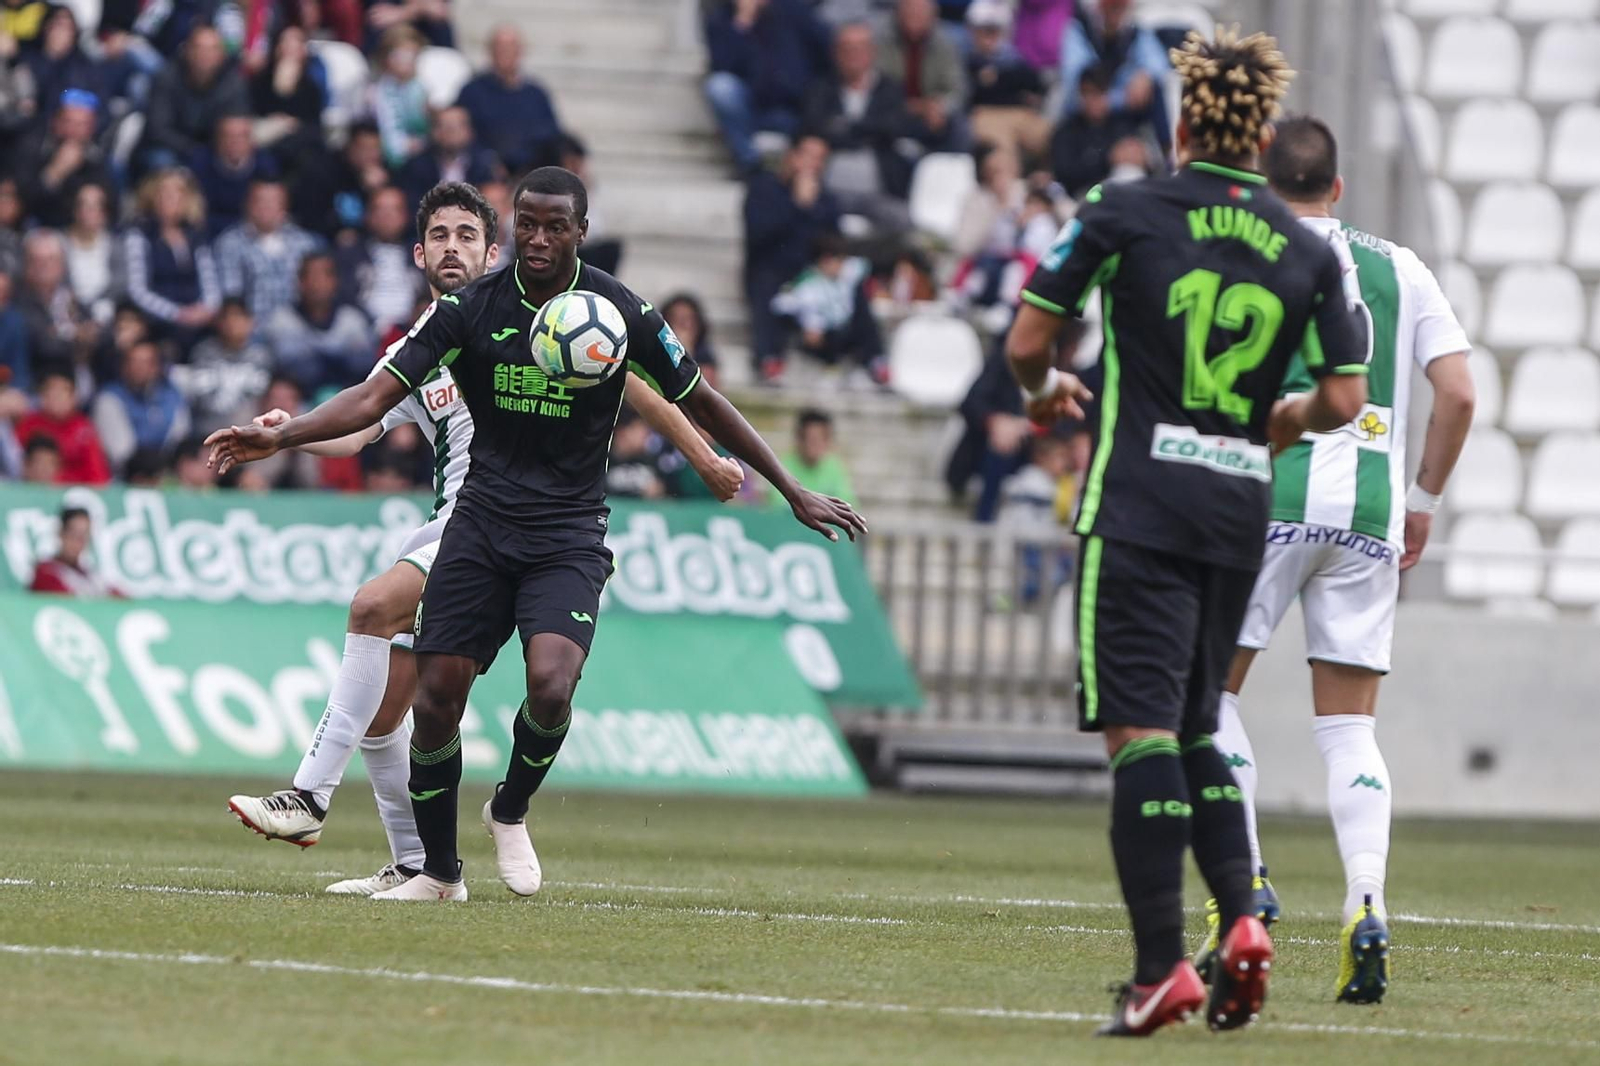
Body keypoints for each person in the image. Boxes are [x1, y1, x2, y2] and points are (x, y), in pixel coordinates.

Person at [207, 167, 865, 903]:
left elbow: (690, 393)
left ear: (581, 231)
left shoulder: (613, 313)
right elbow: (367, 405)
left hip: (566, 530)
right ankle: (431, 869)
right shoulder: (462, 315)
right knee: (422, 701)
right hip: (477, 523)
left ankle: (501, 808)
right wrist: (285, 434)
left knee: (547, 687)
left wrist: (785, 486)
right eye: (529, 224)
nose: (540, 239)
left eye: (556, 226)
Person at [1004, 28, 1368, 1035]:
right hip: (1237, 507)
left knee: (1139, 731)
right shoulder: (1301, 245)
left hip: (1138, 503)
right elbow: (1343, 393)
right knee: (1199, 718)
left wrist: (1043, 394)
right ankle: (1244, 917)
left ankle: (1162, 965)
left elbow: (1029, 338)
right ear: (1256, 139)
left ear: (1181, 125)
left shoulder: (1122, 209)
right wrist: (1281, 418)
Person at [1199, 116, 1476, 1007]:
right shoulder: (1402, 265)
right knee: (1351, 727)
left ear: (1256, 176)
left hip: (1264, 495)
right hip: (1367, 509)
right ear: (1339, 186)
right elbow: (1459, 391)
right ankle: (1365, 901)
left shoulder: (1245, 251)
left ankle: (1243, 891)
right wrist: (1420, 502)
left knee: (1207, 698)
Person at [744, 136, 840, 383]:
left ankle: (867, 360)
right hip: (769, 270)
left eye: (819, 159)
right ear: (792, 156)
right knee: (767, 283)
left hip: (809, 277)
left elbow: (833, 244)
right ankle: (768, 358)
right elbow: (758, 238)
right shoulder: (763, 189)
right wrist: (796, 206)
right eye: (807, 156)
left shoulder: (827, 200)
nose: (812, 165)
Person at [803, 22, 915, 232]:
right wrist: (867, 131)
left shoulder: (890, 89)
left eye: (859, 48)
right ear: (836, 53)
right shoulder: (821, 88)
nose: (853, 55)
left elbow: (893, 128)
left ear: (872, 52)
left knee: (902, 221)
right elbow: (815, 127)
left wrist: (844, 127)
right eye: (846, 49)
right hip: (829, 194)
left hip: (878, 193)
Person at [703, 0, 831, 173]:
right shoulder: (721, 19)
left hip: (794, 108)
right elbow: (722, 65)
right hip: (751, 107)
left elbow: (826, 49)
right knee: (720, 87)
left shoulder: (794, 10)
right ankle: (750, 163)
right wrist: (743, 23)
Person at [769, 232, 886, 384]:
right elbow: (783, 305)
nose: (839, 266)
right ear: (823, 262)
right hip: (821, 337)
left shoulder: (847, 275)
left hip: (846, 330)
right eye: (834, 261)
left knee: (864, 317)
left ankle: (876, 363)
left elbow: (866, 266)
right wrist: (808, 326)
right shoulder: (808, 282)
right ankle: (776, 360)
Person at [1058, 0, 1170, 159]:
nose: (1115, 10)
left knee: (1155, 89)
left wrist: (1146, 75)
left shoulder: (1135, 33)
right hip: (1081, 118)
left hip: (1119, 115)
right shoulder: (1078, 30)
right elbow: (1076, 81)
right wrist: (1109, 98)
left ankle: (1168, 155)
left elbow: (1159, 63)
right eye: (1111, 5)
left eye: (1120, 6)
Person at [122, 168, 222, 344]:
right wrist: (176, 313)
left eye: (177, 194)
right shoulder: (138, 234)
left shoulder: (196, 235)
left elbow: (210, 280)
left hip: (197, 318)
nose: (169, 199)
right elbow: (137, 289)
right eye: (164, 193)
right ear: (152, 196)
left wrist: (207, 308)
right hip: (157, 322)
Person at [261, 250, 376, 394]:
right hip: (299, 403)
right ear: (300, 282)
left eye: (325, 275)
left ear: (335, 281)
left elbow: (362, 367)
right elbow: (292, 369)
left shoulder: (352, 320)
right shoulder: (282, 321)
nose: (318, 283)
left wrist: (318, 358)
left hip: (347, 400)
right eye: (311, 276)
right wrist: (335, 360)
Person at [139, 25, 251, 172]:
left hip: (214, 151)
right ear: (187, 51)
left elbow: (235, 125)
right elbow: (157, 129)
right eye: (199, 48)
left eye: (212, 49)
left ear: (221, 54)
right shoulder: (167, 77)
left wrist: (210, 151)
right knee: (160, 159)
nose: (205, 55)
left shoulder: (233, 84)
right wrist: (192, 150)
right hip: (173, 148)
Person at [455, 25, 561, 176]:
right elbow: (463, 135)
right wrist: (489, 161)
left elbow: (550, 134)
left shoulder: (536, 94)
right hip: (483, 175)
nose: (504, 52)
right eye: (499, 47)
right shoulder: (472, 92)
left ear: (520, 52)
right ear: (490, 51)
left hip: (530, 173)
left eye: (510, 47)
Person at [215, 179, 325, 319]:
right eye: (260, 201)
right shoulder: (229, 244)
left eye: (273, 201)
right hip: (253, 332)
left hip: (299, 330)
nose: (266, 207)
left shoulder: (305, 243)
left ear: (285, 207)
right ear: (247, 205)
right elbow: (232, 297)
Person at [964, 0, 1049, 165]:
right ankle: (1008, 188)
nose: (991, 37)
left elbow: (1036, 85)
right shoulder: (967, 61)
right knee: (1002, 147)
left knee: (1050, 135)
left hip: (1019, 112)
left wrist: (998, 80)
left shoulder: (1014, 60)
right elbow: (972, 93)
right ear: (974, 32)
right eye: (985, 31)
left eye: (994, 31)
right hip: (986, 114)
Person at [336, 185, 429, 334]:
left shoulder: (422, 254)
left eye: (394, 210)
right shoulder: (351, 254)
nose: (387, 216)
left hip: (412, 328)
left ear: (405, 216)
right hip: (364, 330)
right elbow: (344, 298)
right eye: (380, 210)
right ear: (368, 215)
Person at [877, 0, 968, 152]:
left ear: (933, 17)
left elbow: (958, 89)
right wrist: (914, 106)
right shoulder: (881, 40)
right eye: (910, 13)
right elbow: (876, 85)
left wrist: (940, 107)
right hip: (892, 110)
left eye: (920, 14)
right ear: (898, 14)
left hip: (933, 113)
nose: (914, 19)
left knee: (960, 127)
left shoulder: (946, 42)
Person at [17, 88, 112, 231]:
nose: (73, 130)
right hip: (40, 231)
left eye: (81, 124)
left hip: (84, 235)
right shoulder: (33, 150)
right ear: (55, 123)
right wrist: (55, 173)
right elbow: (22, 205)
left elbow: (112, 207)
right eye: (68, 122)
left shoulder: (99, 161)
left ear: (91, 128)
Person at [92, 339, 192, 473]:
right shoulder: (109, 398)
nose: (140, 368)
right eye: (134, 362)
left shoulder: (173, 396)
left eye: (147, 362)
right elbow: (120, 453)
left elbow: (179, 440)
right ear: (124, 366)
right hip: (124, 477)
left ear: (157, 367)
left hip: (166, 475)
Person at [175, 297, 274, 432]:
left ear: (251, 322)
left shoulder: (261, 356)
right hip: (206, 433)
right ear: (218, 323)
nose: (232, 323)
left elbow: (261, 399)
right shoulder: (203, 353)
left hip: (250, 432)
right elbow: (201, 400)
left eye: (238, 317)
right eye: (226, 317)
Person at [292, 121, 390, 240]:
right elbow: (311, 216)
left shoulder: (385, 176)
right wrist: (337, 233)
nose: (371, 155)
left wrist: (377, 191)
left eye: (375, 149)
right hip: (326, 239)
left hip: (368, 242)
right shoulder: (324, 171)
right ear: (350, 147)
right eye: (365, 148)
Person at [191, 114, 282, 239]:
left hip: (253, 232)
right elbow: (197, 211)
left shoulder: (265, 165)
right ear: (217, 139)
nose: (234, 142)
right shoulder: (201, 162)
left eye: (241, 136)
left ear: (252, 140)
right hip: (210, 231)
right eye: (228, 136)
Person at [14, 366, 110, 485]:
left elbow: (98, 476)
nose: (57, 397)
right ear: (42, 396)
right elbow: (15, 465)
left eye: (63, 391)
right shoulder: (29, 425)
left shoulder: (84, 428)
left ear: (73, 397)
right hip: (33, 490)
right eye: (51, 391)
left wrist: (62, 481)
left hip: (76, 493)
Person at [397, 106, 503, 210]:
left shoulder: (485, 163)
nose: (451, 133)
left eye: (456, 126)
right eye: (445, 126)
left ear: (469, 131)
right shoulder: (417, 166)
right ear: (434, 132)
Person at [370, 25, 430, 170]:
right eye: (399, 55)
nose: (405, 61)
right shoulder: (375, 93)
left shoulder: (425, 88)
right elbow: (387, 132)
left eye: (411, 55)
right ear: (385, 58)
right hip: (387, 163)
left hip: (425, 160)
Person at [29, 506, 119, 597]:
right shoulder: (46, 572)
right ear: (61, 533)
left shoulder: (89, 575)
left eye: (84, 535)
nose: (79, 541)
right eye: (74, 534)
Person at [64, 183, 116, 325]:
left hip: (106, 313)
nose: (89, 212)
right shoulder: (60, 244)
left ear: (104, 213)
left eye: (95, 206)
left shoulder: (115, 245)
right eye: (84, 206)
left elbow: (120, 284)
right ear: (75, 210)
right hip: (68, 311)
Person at [781, 408, 855, 503]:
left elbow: (847, 503)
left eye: (820, 438)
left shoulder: (835, 467)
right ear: (800, 438)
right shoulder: (784, 466)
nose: (815, 444)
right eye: (811, 438)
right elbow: (777, 505)